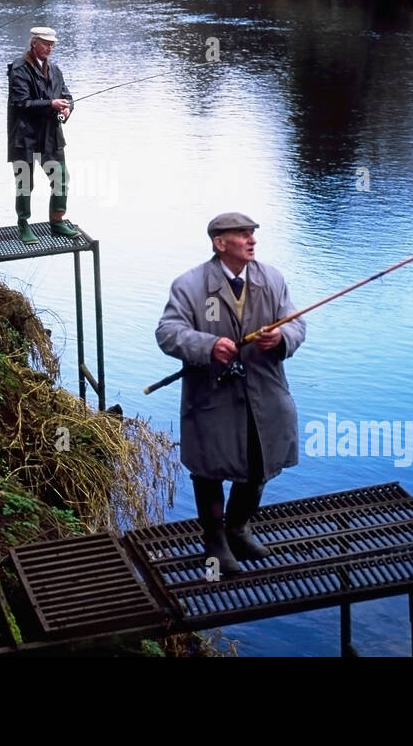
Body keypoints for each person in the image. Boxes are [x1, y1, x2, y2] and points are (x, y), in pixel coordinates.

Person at [155, 213, 307, 577]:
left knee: (259, 461)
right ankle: (215, 542)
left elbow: (297, 322)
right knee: (208, 470)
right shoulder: (189, 285)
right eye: (242, 234)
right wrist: (207, 345)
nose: (251, 239)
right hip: (212, 396)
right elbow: (167, 332)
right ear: (220, 243)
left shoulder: (272, 278)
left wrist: (282, 338)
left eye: (253, 233)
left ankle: (239, 528)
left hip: (265, 392)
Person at [6, 26, 79, 245]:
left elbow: (67, 97)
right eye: (45, 44)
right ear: (33, 43)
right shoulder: (18, 69)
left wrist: (67, 109)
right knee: (24, 183)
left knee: (61, 179)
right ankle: (23, 224)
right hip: (24, 136)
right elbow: (21, 103)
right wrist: (52, 104)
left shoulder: (55, 70)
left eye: (52, 44)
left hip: (51, 135)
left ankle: (57, 222)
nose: (49, 48)